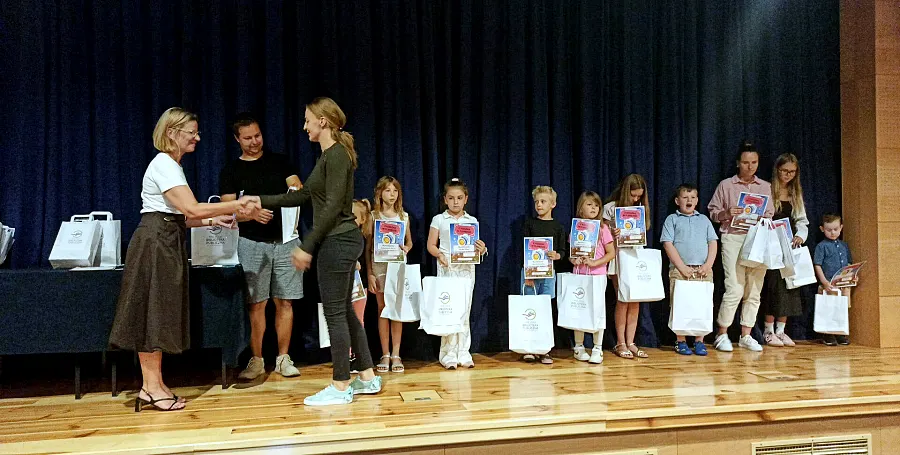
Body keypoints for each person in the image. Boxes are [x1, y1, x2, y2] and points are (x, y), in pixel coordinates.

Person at [109, 107, 253, 412]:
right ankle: (150, 387)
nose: (197, 138)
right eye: (192, 133)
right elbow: (192, 208)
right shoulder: (164, 164)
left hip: (165, 239)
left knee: (159, 312)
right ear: (172, 133)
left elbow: (180, 217)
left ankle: (155, 384)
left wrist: (213, 220)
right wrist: (236, 205)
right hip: (156, 243)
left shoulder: (171, 165)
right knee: (152, 313)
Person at [247, 97, 381, 406]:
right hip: (339, 241)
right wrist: (260, 200)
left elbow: (333, 207)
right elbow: (303, 195)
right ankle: (368, 377)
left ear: (323, 121)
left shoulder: (337, 155)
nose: (305, 126)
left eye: (308, 120)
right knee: (344, 311)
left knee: (335, 313)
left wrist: (307, 246)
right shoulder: (327, 156)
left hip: (338, 242)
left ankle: (340, 385)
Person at [219, 113, 304, 380]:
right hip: (251, 243)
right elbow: (226, 211)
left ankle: (283, 358)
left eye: (257, 136)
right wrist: (251, 215)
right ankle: (256, 360)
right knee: (256, 304)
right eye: (248, 138)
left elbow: (297, 188)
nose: (254, 142)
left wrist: (295, 188)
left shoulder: (280, 161)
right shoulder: (231, 170)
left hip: (286, 241)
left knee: (285, 301)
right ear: (237, 139)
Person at [707, 140, 775, 353]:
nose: (750, 166)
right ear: (738, 163)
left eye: (754, 162)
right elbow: (713, 211)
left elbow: (770, 212)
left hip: (757, 238)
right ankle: (722, 333)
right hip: (733, 237)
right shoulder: (727, 185)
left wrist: (762, 216)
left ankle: (746, 334)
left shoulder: (765, 186)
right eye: (746, 162)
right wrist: (727, 213)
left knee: (754, 289)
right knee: (735, 287)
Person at [426, 178, 488, 370]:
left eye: (459, 198)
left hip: (466, 272)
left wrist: (482, 249)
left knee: (464, 311)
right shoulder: (439, 219)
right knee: (448, 311)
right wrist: (440, 255)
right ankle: (448, 353)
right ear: (445, 199)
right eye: (451, 198)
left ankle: (463, 351)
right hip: (447, 270)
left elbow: (475, 248)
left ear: (466, 199)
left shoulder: (471, 221)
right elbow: (431, 245)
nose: (455, 202)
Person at [660, 184, 719, 356]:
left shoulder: (704, 220)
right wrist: (681, 267)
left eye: (693, 197)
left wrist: (708, 265)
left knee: (702, 305)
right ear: (677, 201)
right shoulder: (672, 219)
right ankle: (681, 341)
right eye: (685, 197)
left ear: (697, 200)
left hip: (703, 270)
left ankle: (700, 341)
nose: (689, 200)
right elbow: (667, 243)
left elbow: (712, 242)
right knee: (681, 305)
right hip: (680, 271)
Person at [365, 177, 413, 374]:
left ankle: (396, 354)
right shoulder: (373, 216)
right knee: (382, 309)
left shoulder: (403, 216)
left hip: (397, 268)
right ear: (379, 193)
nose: (392, 195)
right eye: (387, 190)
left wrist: (406, 248)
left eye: (395, 191)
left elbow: (409, 242)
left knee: (396, 310)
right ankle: (384, 353)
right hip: (379, 269)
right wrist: (369, 273)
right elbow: (368, 248)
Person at [761, 154, 810, 347]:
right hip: (771, 245)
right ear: (777, 170)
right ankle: (768, 331)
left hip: (788, 245)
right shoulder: (767, 189)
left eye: (792, 171)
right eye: (784, 171)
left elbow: (802, 220)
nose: (788, 175)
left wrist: (800, 236)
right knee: (772, 288)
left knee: (790, 287)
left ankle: (781, 331)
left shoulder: (795, 193)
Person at [603, 174, 652, 359]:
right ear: (625, 192)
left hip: (635, 255)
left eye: (639, 196)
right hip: (618, 256)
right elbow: (601, 234)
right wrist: (611, 231)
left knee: (635, 300)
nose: (636, 199)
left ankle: (631, 342)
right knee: (622, 298)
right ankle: (620, 342)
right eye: (633, 195)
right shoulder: (610, 208)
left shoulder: (640, 208)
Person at [519, 186, 567, 364]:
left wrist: (557, 255)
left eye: (543, 201)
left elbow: (563, 251)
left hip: (548, 274)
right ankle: (529, 348)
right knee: (530, 309)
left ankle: (545, 349)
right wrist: (528, 274)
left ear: (553, 204)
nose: (539, 205)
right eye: (536, 202)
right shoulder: (529, 224)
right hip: (530, 274)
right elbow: (524, 250)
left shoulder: (558, 227)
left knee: (545, 310)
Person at [569, 191, 616, 364]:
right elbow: (572, 254)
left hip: (597, 276)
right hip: (579, 275)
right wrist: (574, 260)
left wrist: (595, 263)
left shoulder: (603, 228)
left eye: (597, 205)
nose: (594, 208)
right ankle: (579, 347)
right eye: (589, 204)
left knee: (597, 310)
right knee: (579, 310)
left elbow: (611, 253)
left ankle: (597, 347)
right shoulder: (576, 228)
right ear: (581, 208)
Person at [814, 213, 854, 346]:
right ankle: (828, 334)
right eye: (829, 230)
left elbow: (849, 263)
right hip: (829, 284)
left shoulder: (844, 245)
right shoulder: (821, 246)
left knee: (842, 308)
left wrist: (852, 276)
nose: (832, 233)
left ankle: (840, 333)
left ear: (841, 227)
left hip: (843, 284)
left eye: (836, 229)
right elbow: (817, 265)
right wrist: (824, 282)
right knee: (828, 308)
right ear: (822, 229)